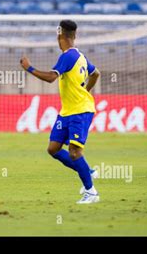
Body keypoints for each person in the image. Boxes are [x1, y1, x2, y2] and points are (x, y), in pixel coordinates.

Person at [20, 20, 100, 204]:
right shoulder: (79, 56)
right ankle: (87, 171)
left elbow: (50, 78)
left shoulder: (68, 56)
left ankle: (91, 192)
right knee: (54, 148)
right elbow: (96, 73)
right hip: (67, 111)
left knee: (74, 151)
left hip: (80, 110)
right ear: (74, 35)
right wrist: (86, 90)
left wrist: (28, 68)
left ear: (60, 35)